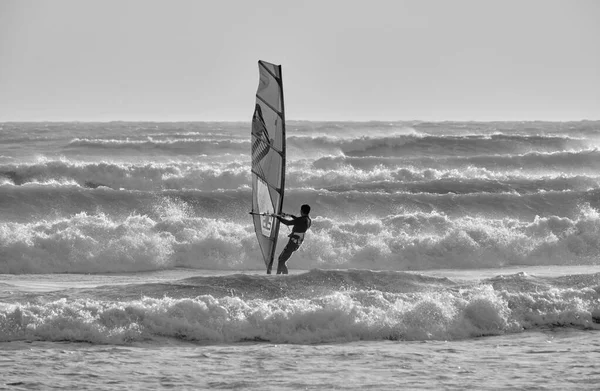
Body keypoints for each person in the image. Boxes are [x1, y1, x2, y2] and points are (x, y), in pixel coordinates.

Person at [270, 204, 312, 275]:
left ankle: (279, 276)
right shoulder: (308, 220)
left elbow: (288, 223)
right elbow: (298, 220)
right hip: (298, 242)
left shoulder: (301, 220)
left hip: (293, 242)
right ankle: (283, 276)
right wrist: (289, 215)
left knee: (281, 260)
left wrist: (277, 217)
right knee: (281, 259)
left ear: (301, 211)